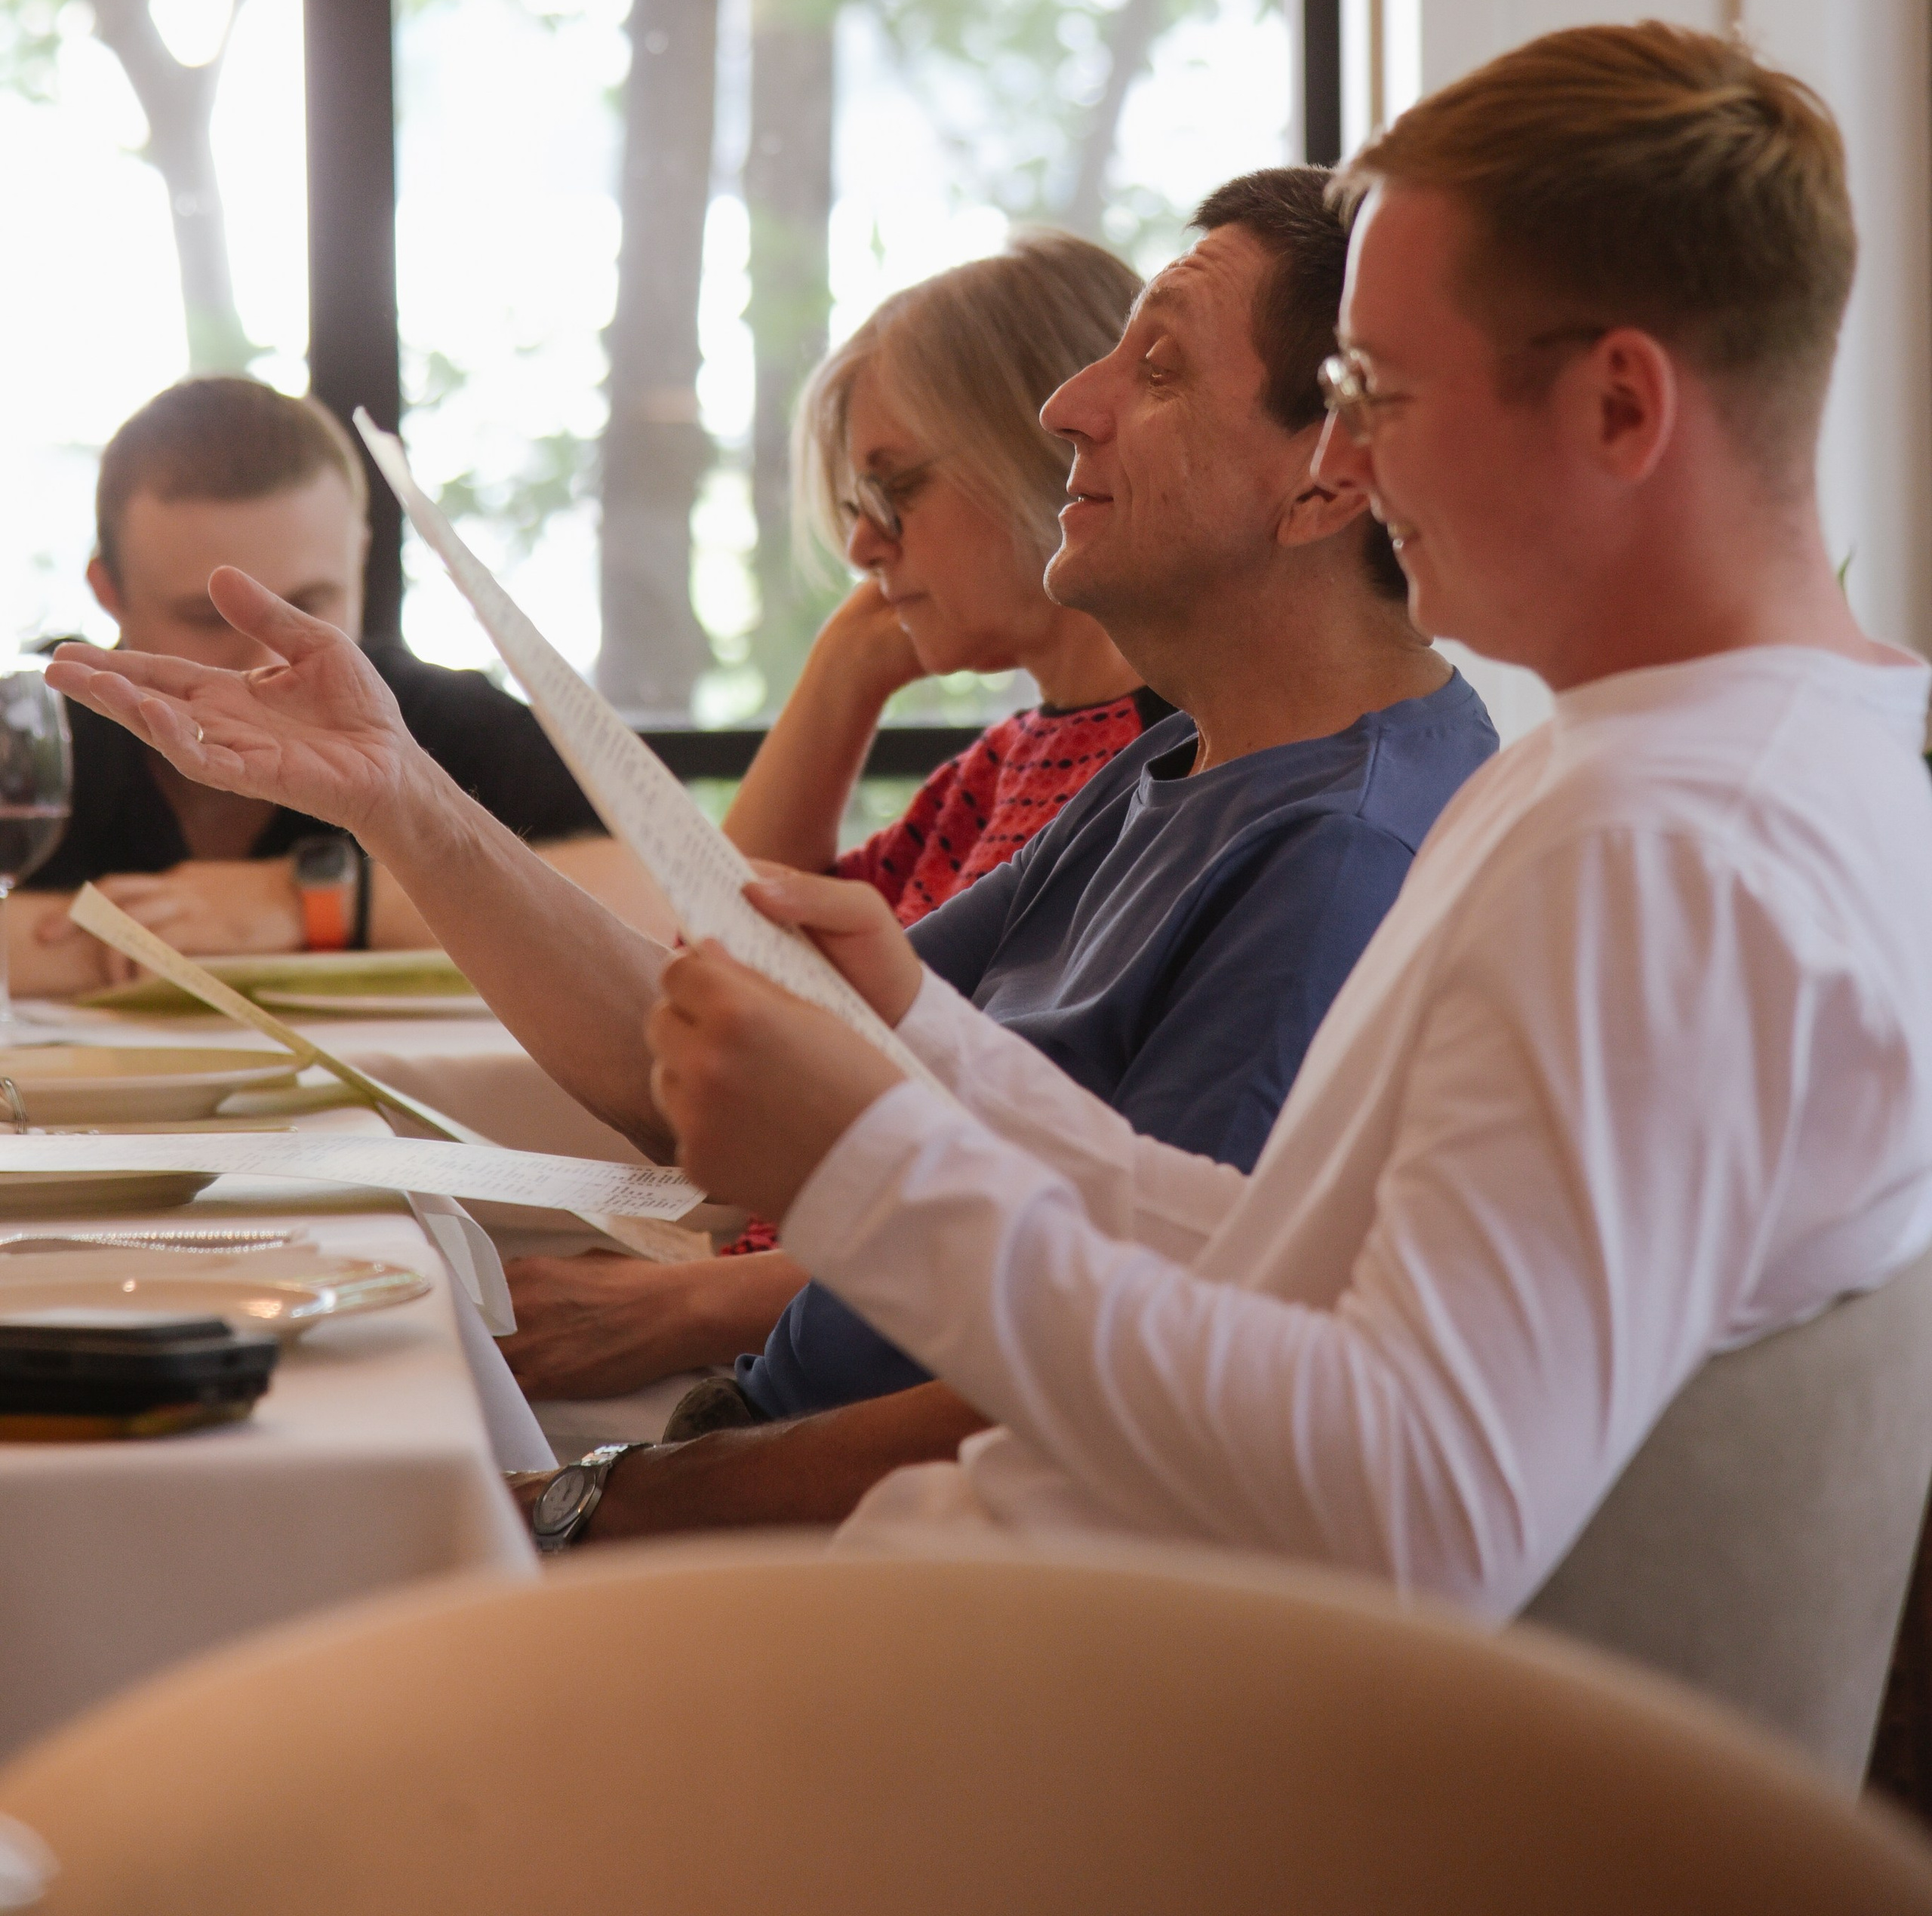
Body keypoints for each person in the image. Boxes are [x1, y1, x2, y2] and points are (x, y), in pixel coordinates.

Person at [609, 20, 1932, 1605]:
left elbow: (1415, 1509)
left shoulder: (1658, 851)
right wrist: (926, 1046)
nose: (1346, 460)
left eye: (1377, 390)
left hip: (1109, 1691)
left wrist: (872, 1171)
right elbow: (1284, 1250)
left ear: (1618, 410)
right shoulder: (1718, 761)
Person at [44, 163, 1497, 1501]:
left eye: (1158, 365)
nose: (1070, 406)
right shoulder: (1184, 763)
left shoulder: (1333, 858)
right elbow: (700, 1060)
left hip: (873, 1526)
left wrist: (607, 1506)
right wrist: (394, 797)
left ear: (1330, 475)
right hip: (767, 1421)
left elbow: (1141, 1397)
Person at [504, 232, 1161, 1398]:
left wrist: (682, 1307)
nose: (862, 544)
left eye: (893, 489)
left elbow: (1056, 1219)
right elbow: (731, 971)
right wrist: (840, 675)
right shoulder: (1005, 759)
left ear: (1051, 450)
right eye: (857, 504)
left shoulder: (1164, 775)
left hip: (858, 1370)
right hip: (785, 1332)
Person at [13, 377, 665, 995]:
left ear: (360, 557)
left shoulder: (439, 720)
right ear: (108, 592)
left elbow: (663, 902)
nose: (265, 660)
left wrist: (307, 900)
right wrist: (164, 934)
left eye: (307, 605)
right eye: (208, 618)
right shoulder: (29, 725)